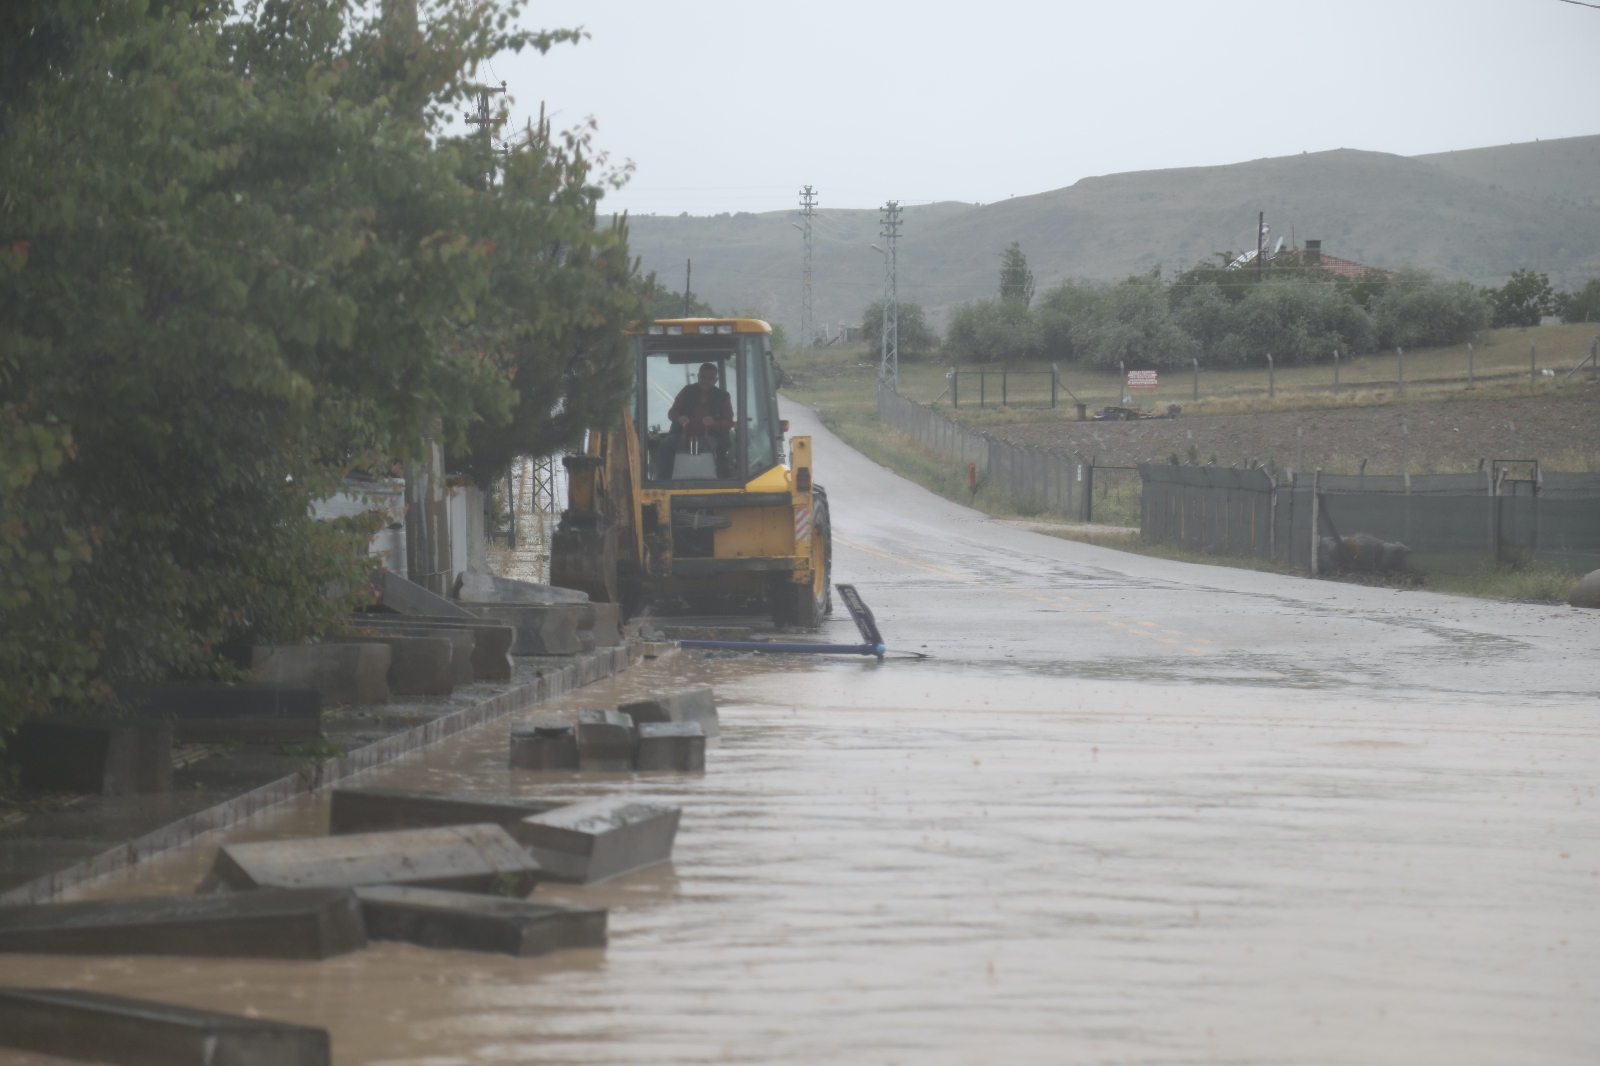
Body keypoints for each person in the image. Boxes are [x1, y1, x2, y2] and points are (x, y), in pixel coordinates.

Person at [657, 362, 734, 478]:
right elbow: (672, 412)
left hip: (711, 437)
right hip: (683, 435)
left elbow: (729, 422)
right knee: (665, 444)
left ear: (716, 380)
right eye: (703, 377)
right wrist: (679, 418)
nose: (706, 381)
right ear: (698, 377)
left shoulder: (723, 397)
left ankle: (706, 481)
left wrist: (714, 423)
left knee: (706, 448)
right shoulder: (687, 391)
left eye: (710, 379)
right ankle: (664, 481)